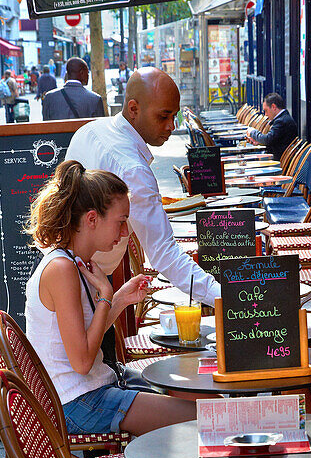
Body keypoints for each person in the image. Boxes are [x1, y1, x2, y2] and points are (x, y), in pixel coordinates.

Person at [25, 160, 197, 436]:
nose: (125, 233)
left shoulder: (73, 262)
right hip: (79, 403)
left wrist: (118, 300)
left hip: (94, 388)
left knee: (196, 396)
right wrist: (105, 296)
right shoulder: (62, 269)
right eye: (120, 222)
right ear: (92, 219)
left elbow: (80, 338)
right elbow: (81, 362)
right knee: (201, 417)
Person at [68, 67, 220, 303]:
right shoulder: (133, 170)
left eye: (175, 116)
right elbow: (165, 254)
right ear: (133, 109)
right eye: (163, 116)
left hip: (67, 270)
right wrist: (226, 299)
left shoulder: (89, 130)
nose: (172, 125)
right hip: (82, 287)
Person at [246, 92, 298, 161]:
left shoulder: (281, 121)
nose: (266, 114)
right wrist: (258, 142)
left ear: (273, 107)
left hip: (277, 160)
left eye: (266, 110)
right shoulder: (283, 118)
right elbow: (273, 140)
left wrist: (252, 132)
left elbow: (267, 139)